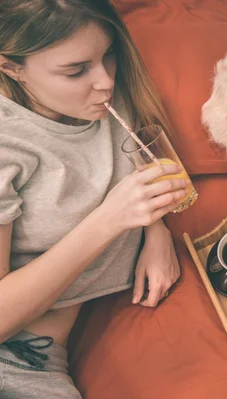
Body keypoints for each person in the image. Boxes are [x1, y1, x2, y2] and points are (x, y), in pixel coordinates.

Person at [0, 1, 191, 397]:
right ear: (11, 68)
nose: (104, 80)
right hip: (16, 362)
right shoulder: (7, 144)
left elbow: (139, 160)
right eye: (75, 70)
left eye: (109, 55)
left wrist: (157, 231)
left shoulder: (102, 97)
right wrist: (109, 221)